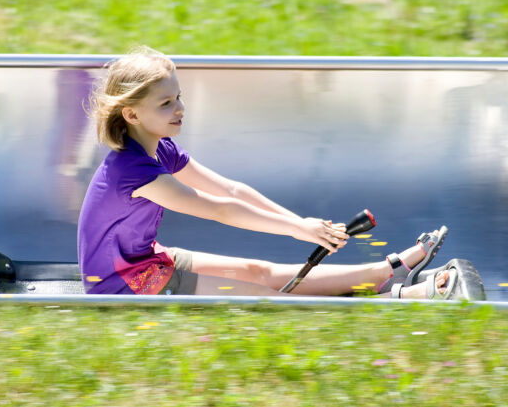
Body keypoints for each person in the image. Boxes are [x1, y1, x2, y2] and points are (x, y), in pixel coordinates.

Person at [77, 46, 453, 298]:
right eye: (165, 102)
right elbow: (218, 209)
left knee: (260, 270)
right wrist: (298, 230)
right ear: (131, 114)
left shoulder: (160, 147)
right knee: (264, 295)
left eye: (179, 97)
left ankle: (383, 273)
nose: (179, 108)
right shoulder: (133, 169)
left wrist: (302, 223)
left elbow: (232, 192)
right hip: (121, 287)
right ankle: (401, 296)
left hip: (146, 262)